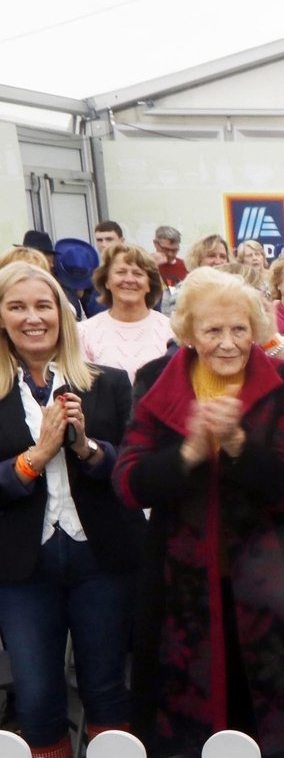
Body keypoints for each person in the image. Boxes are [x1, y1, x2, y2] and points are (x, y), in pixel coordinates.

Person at [113, 269, 284, 756]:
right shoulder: (155, 379)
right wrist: (190, 452)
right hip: (180, 584)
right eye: (213, 330)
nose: (227, 343)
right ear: (188, 334)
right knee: (185, 723)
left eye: (239, 329)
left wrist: (239, 444)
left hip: (276, 584)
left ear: (257, 330)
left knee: (279, 723)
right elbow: (129, 485)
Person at [0, 263, 143, 757]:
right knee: (37, 697)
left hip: (100, 558)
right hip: (21, 567)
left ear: (62, 314)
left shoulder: (110, 382)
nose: (32, 318)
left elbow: (133, 472)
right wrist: (34, 458)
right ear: (1, 317)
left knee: (105, 687)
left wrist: (88, 449)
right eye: (17, 307)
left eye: (43, 306)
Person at [78, 245, 173, 383]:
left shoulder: (172, 331)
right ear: (106, 281)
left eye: (138, 274)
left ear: (150, 284)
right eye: (121, 272)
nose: (129, 279)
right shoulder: (84, 333)